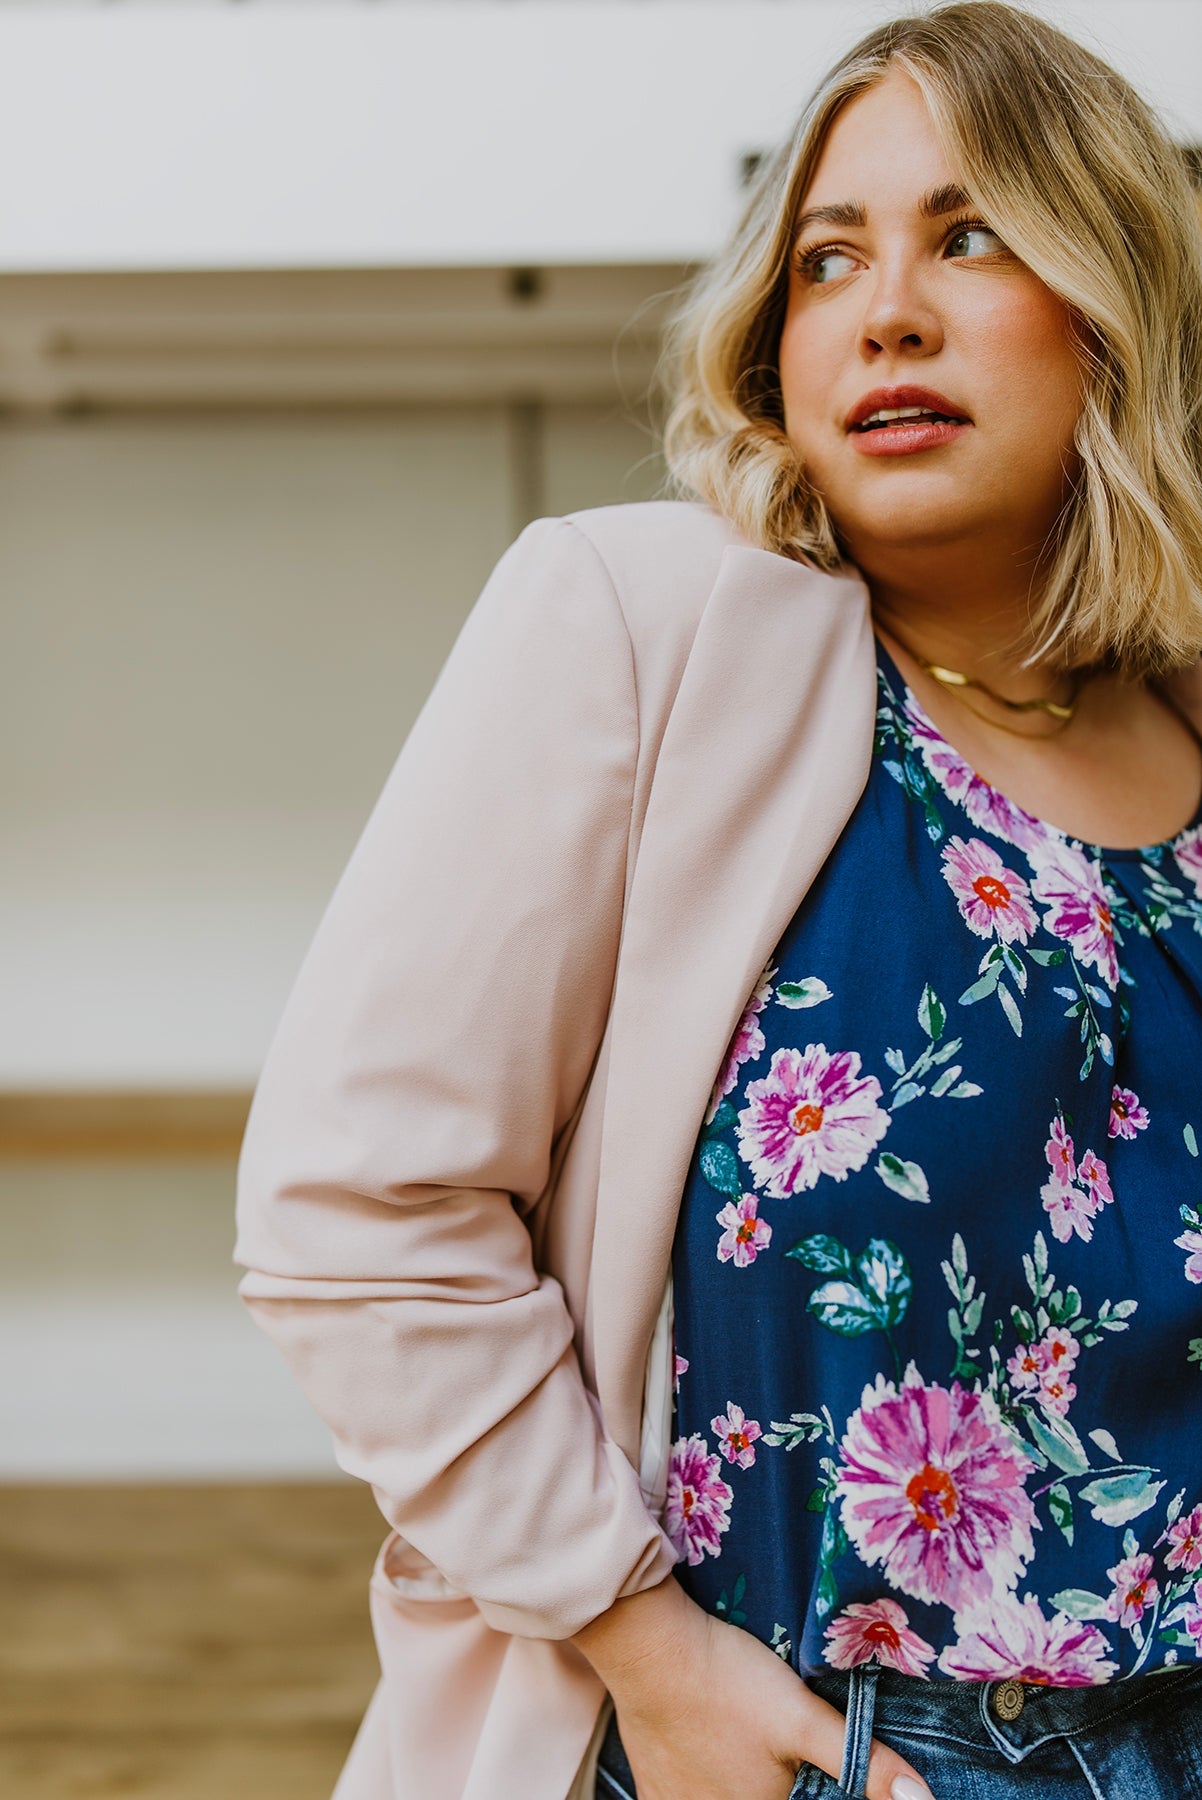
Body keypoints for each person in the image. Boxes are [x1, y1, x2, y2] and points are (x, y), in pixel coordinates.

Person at [233, 5, 1202, 1796]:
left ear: (1123, 298)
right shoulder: (643, 624)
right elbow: (353, 1213)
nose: (884, 307)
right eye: (826, 258)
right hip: (792, 1746)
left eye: (969, 233)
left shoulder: (1187, 721)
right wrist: (641, 1650)